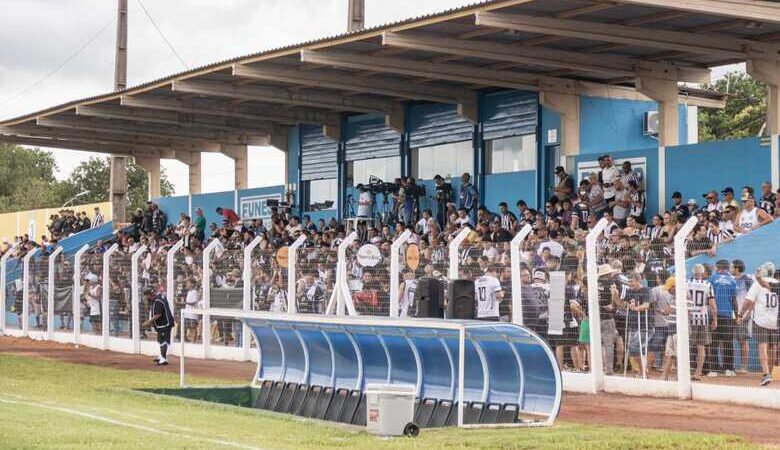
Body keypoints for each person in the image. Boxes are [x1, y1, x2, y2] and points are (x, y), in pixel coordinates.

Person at [739, 263, 779, 386]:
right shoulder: (777, 283)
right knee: (773, 347)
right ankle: (770, 373)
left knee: (762, 346)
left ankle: (766, 374)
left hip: (760, 319)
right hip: (774, 320)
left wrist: (741, 314)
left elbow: (748, 300)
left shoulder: (757, 284)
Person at [706, 259, 737, 377]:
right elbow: (734, 300)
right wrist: (736, 315)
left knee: (713, 343)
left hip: (713, 315)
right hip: (727, 315)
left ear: (717, 267)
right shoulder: (732, 280)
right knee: (728, 342)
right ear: (727, 268)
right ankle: (729, 369)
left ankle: (714, 369)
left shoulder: (711, 279)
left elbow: (707, 297)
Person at [688, 264, 718, 380]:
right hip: (702, 318)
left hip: (689, 317)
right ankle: (698, 372)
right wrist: (715, 319)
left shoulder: (687, 284)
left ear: (693, 272)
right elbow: (712, 304)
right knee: (701, 346)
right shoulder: (707, 285)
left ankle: (687, 370)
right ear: (702, 273)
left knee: (687, 345)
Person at [141, 288, 175, 366]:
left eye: (145, 295)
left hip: (165, 324)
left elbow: (158, 315)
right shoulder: (157, 299)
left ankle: (163, 359)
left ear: (149, 295)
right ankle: (161, 356)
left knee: (164, 341)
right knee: (161, 340)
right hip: (162, 324)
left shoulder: (157, 301)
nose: (144, 297)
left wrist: (148, 322)